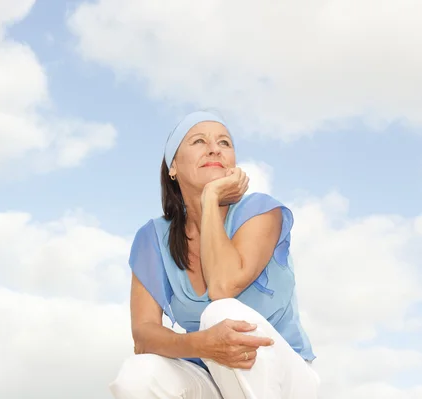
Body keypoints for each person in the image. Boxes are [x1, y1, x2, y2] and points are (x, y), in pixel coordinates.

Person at [109, 111, 319, 399]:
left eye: (224, 143)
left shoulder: (261, 211)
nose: (214, 148)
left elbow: (222, 287)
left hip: (283, 380)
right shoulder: (152, 237)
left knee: (221, 312)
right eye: (198, 141)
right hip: (209, 376)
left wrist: (210, 199)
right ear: (173, 167)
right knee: (138, 376)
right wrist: (201, 346)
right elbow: (144, 336)